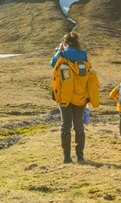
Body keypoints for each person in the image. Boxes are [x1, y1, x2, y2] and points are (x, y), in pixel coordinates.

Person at [50, 32, 99, 163]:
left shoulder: (61, 54)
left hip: (65, 97)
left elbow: (52, 64)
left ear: (65, 42)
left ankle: (66, 157)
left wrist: (60, 50)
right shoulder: (83, 55)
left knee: (65, 126)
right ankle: (80, 156)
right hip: (80, 97)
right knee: (79, 127)